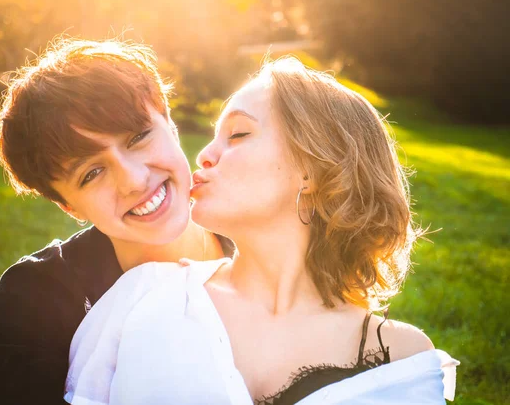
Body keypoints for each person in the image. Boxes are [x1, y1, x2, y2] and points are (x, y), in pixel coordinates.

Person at [64, 56, 459, 404]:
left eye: (237, 134)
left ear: (313, 169)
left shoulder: (400, 357)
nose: (204, 155)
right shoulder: (143, 298)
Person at [0, 38, 233, 405]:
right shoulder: (35, 297)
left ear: (171, 124)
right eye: (92, 172)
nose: (133, 180)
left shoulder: (263, 242)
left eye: (138, 137)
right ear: (68, 205)